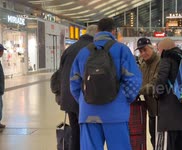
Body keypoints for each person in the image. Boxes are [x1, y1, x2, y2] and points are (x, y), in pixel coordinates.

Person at [70, 18, 142, 150]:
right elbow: (134, 80)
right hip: (116, 113)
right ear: (114, 31)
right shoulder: (122, 50)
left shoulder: (83, 52)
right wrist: (124, 99)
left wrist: (84, 100)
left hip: (88, 113)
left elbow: (74, 83)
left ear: (97, 31)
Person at [58, 25, 98, 149]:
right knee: (87, 134)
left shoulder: (70, 49)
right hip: (82, 97)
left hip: (68, 97)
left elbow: (59, 73)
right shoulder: (92, 49)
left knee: (75, 131)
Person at [136, 37, 160, 148]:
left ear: (152, 48)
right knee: (154, 138)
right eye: (141, 51)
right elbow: (139, 81)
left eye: (145, 50)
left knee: (160, 141)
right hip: (151, 110)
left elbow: (155, 85)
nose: (143, 53)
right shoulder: (143, 65)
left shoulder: (160, 62)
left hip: (161, 111)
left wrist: (137, 91)